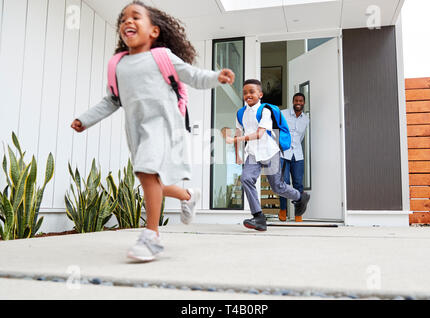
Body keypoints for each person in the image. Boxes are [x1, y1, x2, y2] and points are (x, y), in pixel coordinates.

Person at [70, 1, 235, 262]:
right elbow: (113, 100)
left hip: (165, 125)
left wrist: (217, 77)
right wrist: (85, 119)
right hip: (137, 131)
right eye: (123, 19)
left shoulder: (163, 57)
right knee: (150, 180)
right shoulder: (118, 65)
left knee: (147, 172)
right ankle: (188, 196)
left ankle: (152, 237)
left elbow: (193, 76)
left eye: (136, 17)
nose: (127, 22)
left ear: (154, 31)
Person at [224, 79, 309, 232]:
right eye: (245, 92)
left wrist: (236, 139)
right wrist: (237, 154)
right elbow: (238, 132)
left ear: (260, 94)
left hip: (270, 152)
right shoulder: (240, 113)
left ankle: (299, 197)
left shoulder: (265, 110)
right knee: (246, 179)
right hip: (253, 154)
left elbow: (259, 134)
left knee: (278, 187)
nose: (248, 95)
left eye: (251, 92)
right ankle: (258, 217)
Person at [279, 93, 310, 222]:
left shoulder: (306, 119)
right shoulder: (283, 114)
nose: (298, 102)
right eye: (296, 100)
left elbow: (301, 137)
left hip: (298, 155)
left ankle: (298, 214)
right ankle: (283, 210)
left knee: (298, 184)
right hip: (283, 154)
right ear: (293, 102)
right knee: (283, 183)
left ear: (304, 103)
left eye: (301, 101)